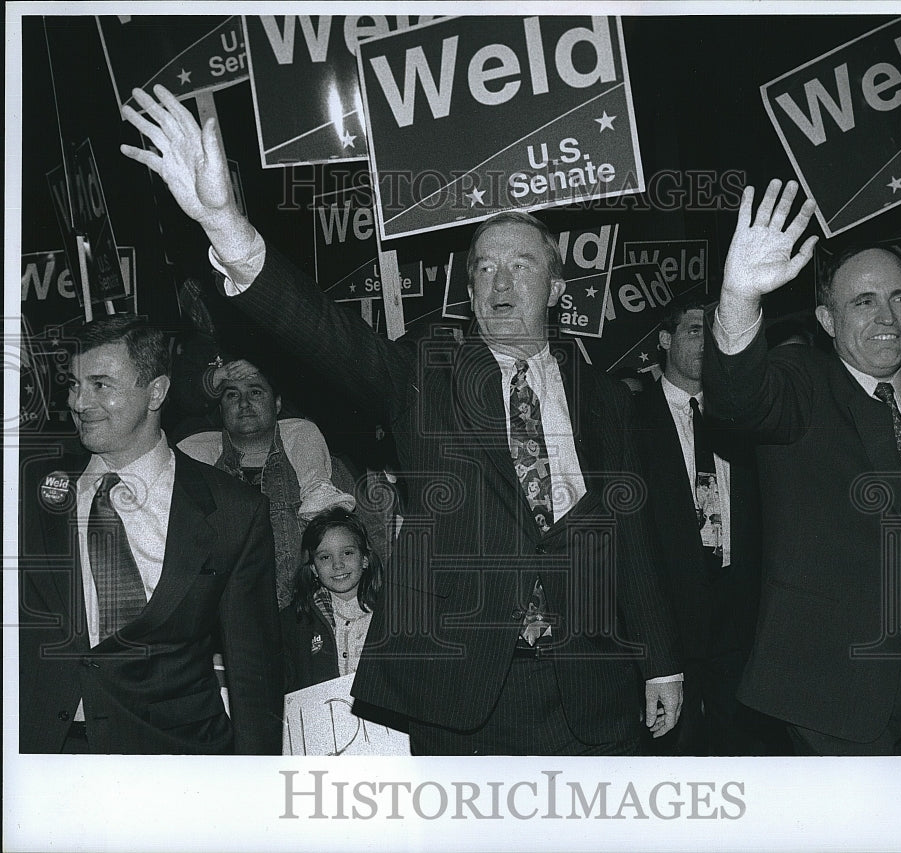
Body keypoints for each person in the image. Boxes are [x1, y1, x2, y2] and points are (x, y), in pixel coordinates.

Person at [121, 84, 683, 756]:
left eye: (523, 266)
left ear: (557, 289)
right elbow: (326, 332)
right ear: (469, 292)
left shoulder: (607, 400)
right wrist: (228, 230)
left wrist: (662, 659)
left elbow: (635, 537)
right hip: (466, 695)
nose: (502, 283)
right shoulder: (425, 376)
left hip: (594, 692)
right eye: (485, 269)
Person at [702, 179, 901, 755]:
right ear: (827, 321)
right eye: (863, 301)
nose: (886, 316)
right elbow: (740, 399)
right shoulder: (803, 382)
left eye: (900, 298)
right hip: (833, 694)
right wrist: (739, 297)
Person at [18, 313, 284, 754]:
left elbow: (254, 675)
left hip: (175, 760)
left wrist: (253, 791)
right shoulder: (29, 489)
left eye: (101, 384)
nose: (81, 402)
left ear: (156, 391)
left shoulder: (233, 510)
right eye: (74, 384)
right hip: (47, 755)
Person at [635, 298, 769, 755]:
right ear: (665, 339)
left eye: (713, 333)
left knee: (743, 751)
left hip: (739, 613)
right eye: (695, 330)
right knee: (676, 752)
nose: (706, 344)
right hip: (669, 619)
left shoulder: (745, 414)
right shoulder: (632, 418)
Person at [177, 363, 356, 609]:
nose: (243, 403)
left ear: (278, 404)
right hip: (226, 628)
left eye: (255, 392)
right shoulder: (198, 467)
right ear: (220, 410)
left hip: (309, 621)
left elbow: (368, 545)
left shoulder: (323, 466)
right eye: (232, 395)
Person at [281, 508, 385, 691]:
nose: (337, 565)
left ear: (365, 559)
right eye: (325, 557)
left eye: (347, 553)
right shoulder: (295, 622)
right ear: (313, 568)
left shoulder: (390, 613)